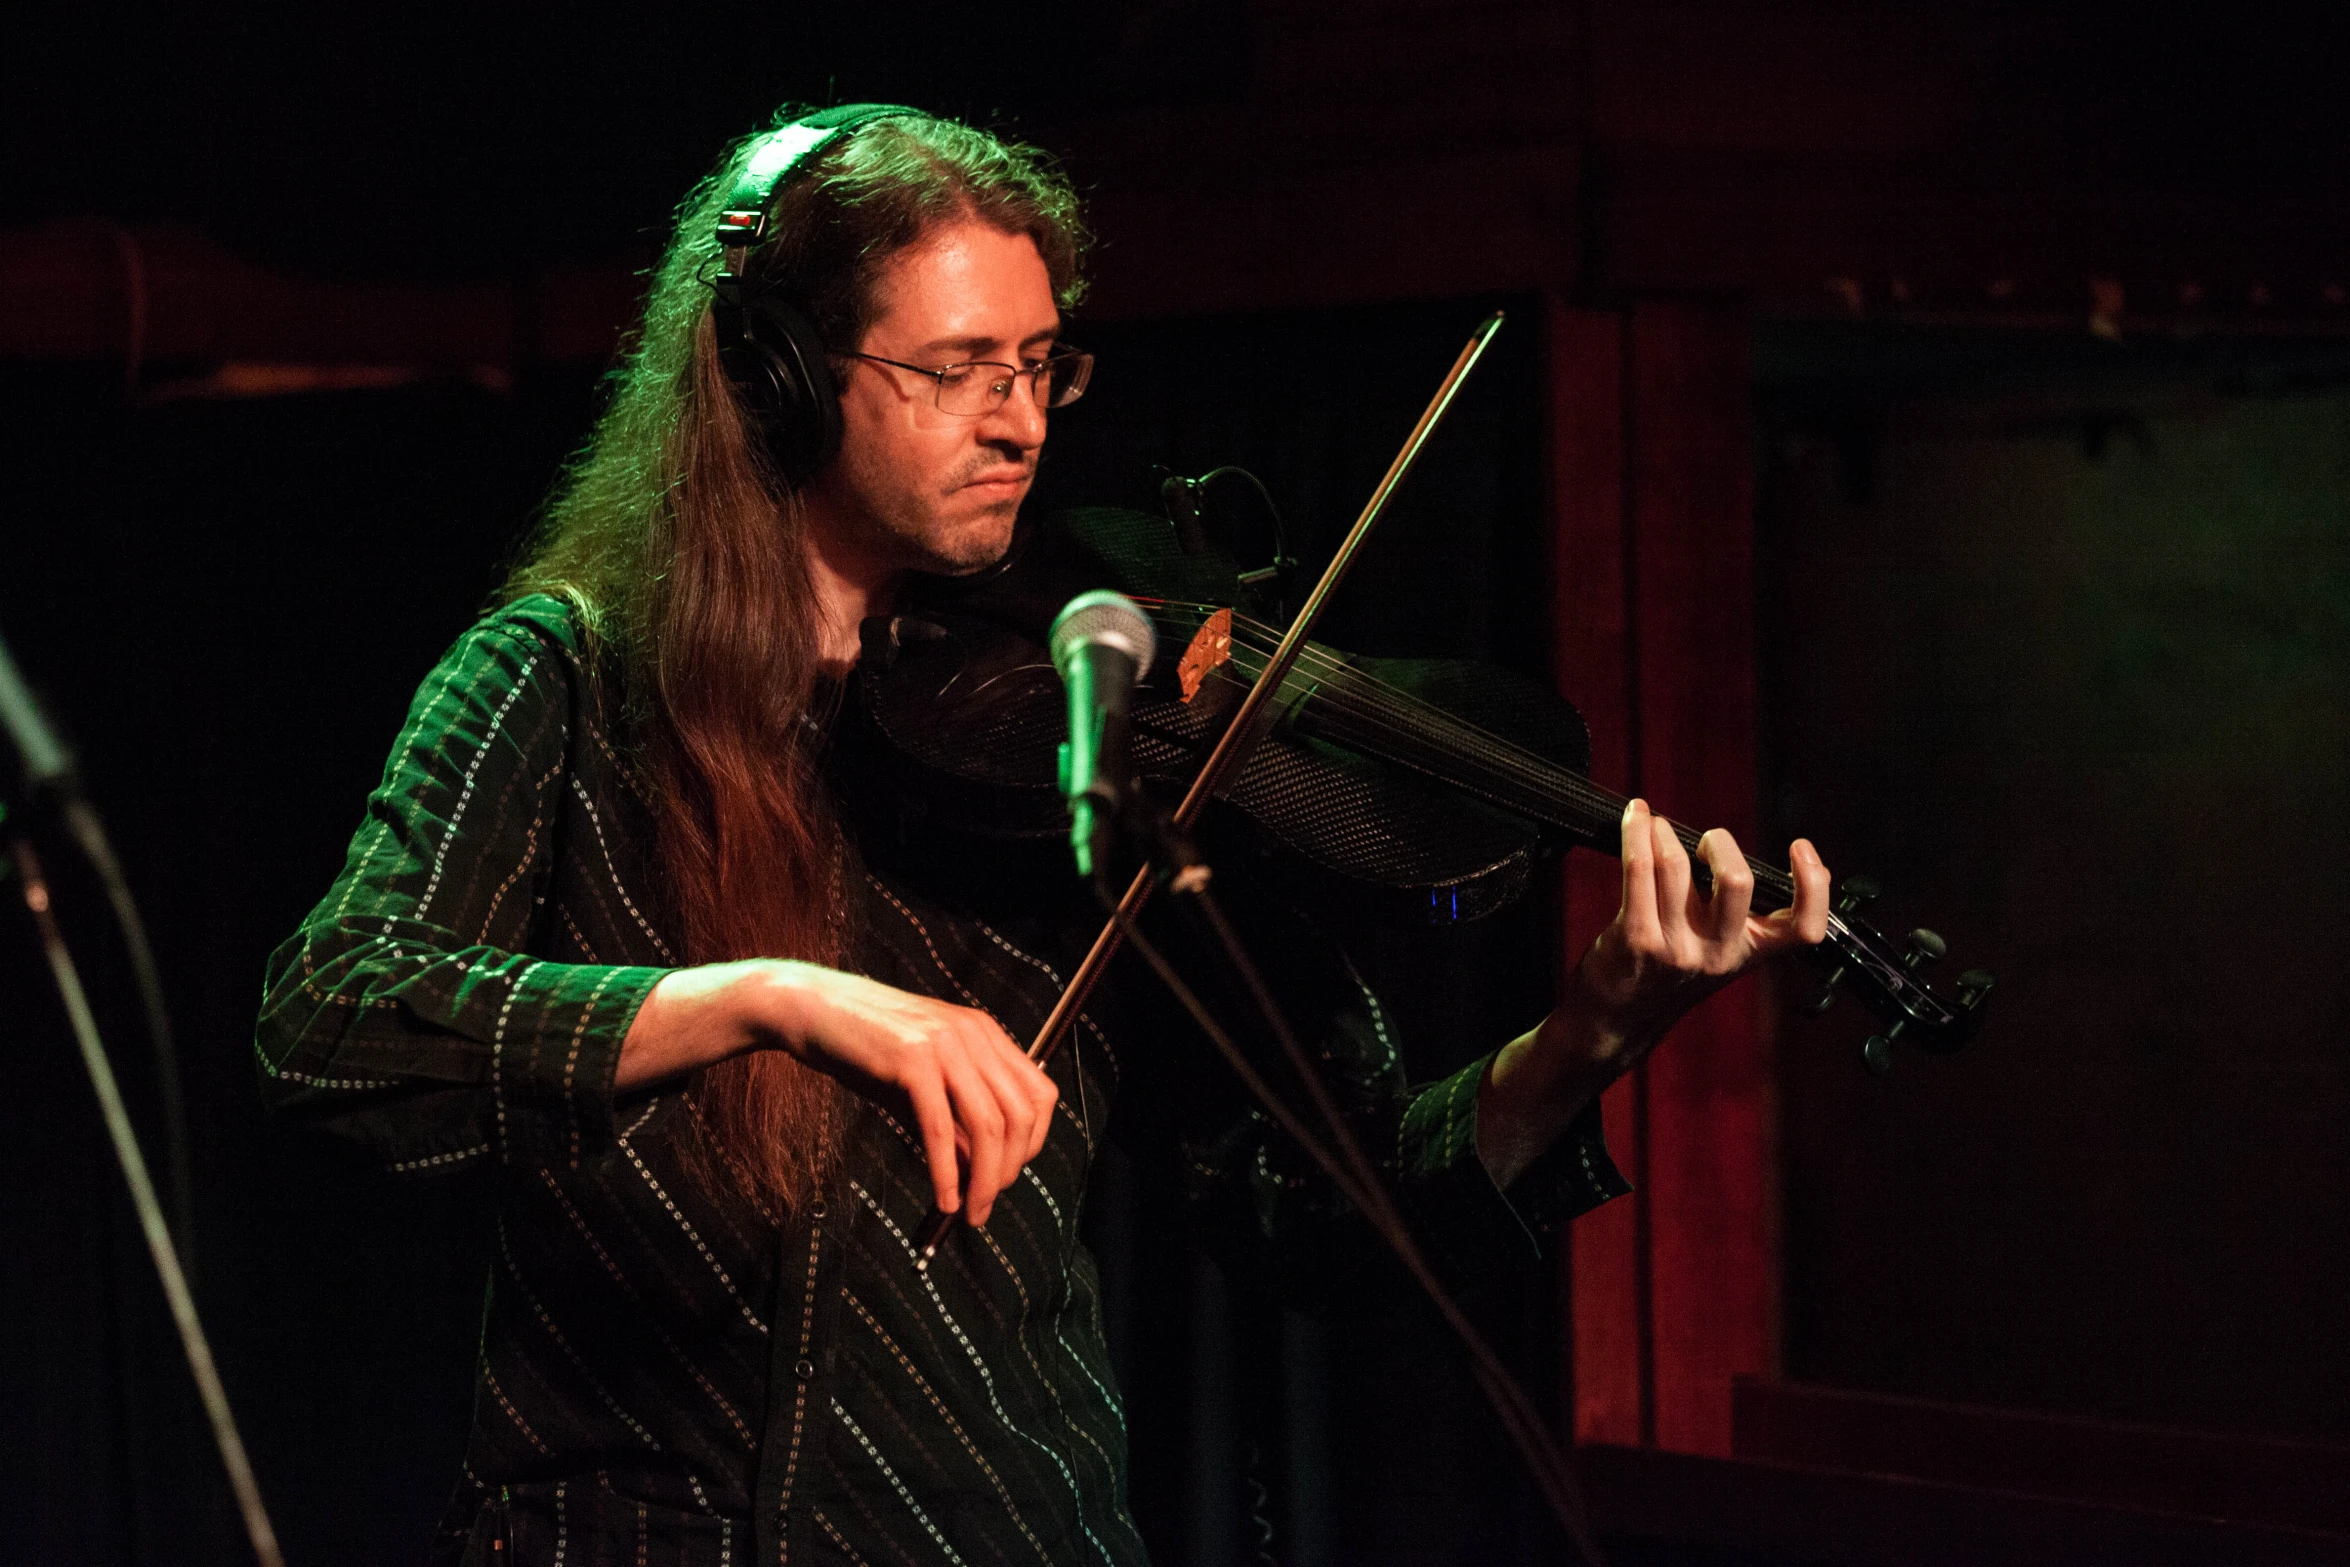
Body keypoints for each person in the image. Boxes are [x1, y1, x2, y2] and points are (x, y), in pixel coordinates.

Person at [255, 106, 1830, 1567]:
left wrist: (1584, 1037)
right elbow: (332, 1027)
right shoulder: (564, 677)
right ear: (781, 374)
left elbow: (1310, 1210)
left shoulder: (1084, 733)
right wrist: (769, 996)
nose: (1018, 421)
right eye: (956, 370)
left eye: (1041, 364)